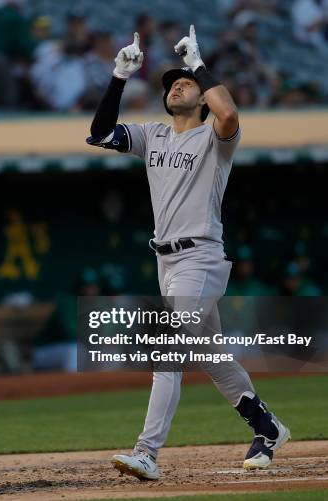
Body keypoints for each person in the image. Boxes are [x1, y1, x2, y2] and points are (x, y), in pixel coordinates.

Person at [86, 26, 289, 480]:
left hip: (200, 257)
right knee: (213, 357)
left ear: (203, 98)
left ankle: (147, 452)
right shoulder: (153, 136)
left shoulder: (215, 139)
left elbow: (231, 113)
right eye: (171, 83)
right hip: (167, 260)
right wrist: (118, 76)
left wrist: (200, 64)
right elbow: (100, 134)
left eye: (187, 82)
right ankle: (266, 426)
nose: (176, 84)